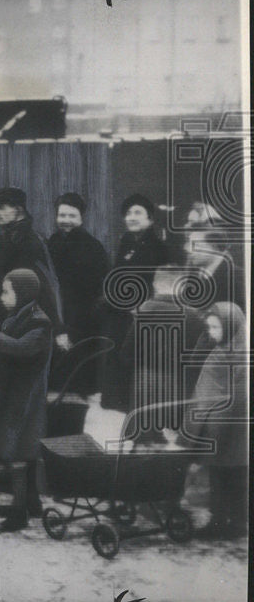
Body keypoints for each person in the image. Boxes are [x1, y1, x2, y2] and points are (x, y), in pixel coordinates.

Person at [0, 269, 52, 532]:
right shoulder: (19, 316)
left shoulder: (39, 323)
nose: (1, 297)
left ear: (23, 293)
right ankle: (31, 502)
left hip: (25, 397)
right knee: (22, 449)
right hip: (14, 393)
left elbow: (21, 348)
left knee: (19, 451)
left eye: (6, 291)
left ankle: (19, 512)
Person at [0, 187, 61, 388]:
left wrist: (57, 326)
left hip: (17, 320)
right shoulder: (1, 236)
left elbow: (46, 284)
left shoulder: (32, 241)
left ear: (18, 209)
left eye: (1, 208)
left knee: (11, 381)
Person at [99, 193, 171, 411]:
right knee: (116, 354)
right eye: (128, 213)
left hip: (141, 313)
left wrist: (143, 305)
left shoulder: (159, 248)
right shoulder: (126, 242)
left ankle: (133, 405)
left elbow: (161, 283)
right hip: (119, 311)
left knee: (134, 357)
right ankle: (115, 401)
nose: (131, 217)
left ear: (150, 219)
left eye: (137, 213)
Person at [189, 302, 248, 539]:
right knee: (235, 475)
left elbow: (219, 395)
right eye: (209, 328)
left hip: (222, 425)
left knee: (222, 475)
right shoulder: (236, 345)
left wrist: (205, 432)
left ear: (230, 325)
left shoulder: (227, 353)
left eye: (215, 327)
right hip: (233, 426)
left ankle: (221, 523)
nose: (211, 333)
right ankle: (237, 522)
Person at [115, 267, 206, 421]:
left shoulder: (143, 310)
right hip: (177, 380)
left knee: (143, 423)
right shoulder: (193, 315)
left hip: (145, 377)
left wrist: (129, 362)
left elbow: (128, 350)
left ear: (155, 285)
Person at [46, 193, 110, 395]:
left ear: (81, 218)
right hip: (56, 318)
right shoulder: (52, 243)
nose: (65, 221)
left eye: (71, 216)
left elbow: (100, 290)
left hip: (82, 322)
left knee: (77, 381)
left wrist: (69, 329)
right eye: (62, 215)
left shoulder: (93, 248)